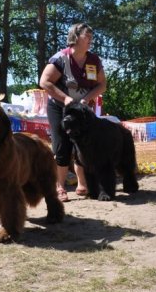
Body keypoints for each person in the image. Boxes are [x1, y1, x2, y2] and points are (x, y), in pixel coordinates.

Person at [39, 23, 106, 202]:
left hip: (83, 110)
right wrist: (65, 99)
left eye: (92, 36)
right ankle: (59, 187)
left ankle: (82, 184)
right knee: (62, 146)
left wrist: (87, 98)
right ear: (75, 38)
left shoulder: (93, 60)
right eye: (87, 36)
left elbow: (102, 84)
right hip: (61, 108)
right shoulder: (60, 59)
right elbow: (44, 82)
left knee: (83, 145)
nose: (91, 39)